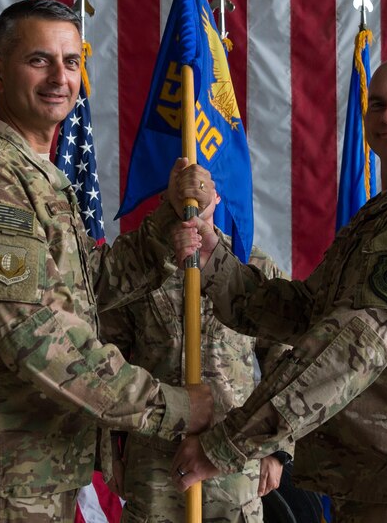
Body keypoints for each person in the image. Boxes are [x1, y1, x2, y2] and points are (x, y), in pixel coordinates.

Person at [170, 56, 387, 522]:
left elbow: (350, 347)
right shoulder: (386, 215)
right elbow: (307, 313)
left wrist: (228, 445)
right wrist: (214, 257)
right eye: (379, 104)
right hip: (381, 479)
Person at [0, 0, 215, 523]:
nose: (60, 78)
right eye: (39, 60)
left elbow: (85, 291)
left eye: (71, 62)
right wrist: (173, 406)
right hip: (3, 469)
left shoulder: (35, 176)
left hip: (35, 459)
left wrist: (167, 227)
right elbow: (37, 338)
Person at [98, 191, 293, 523]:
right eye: (183, 190)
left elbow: (284, 359)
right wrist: (110, 453)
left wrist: (277, 449)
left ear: (218, 196)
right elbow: (108, 361)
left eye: (202, 188)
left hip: (233, 458)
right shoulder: (140, 267)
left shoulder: (252, 265)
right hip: (154, 460)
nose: (193, 199)